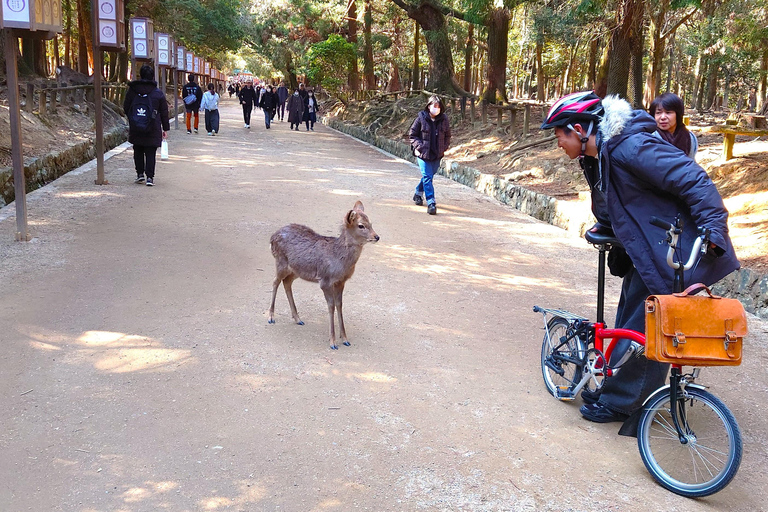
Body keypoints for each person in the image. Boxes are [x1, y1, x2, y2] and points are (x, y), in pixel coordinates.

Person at [540, 91, 739, 423]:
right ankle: (615, 388)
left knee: (649, 327)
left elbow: (693, 178)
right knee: (631, 319)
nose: (558, 143)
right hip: (645, 248)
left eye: (559, 134)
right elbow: (618, 200)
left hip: (673, 249)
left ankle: (622, 403)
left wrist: (714, 229)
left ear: (578, 129)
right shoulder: (597, 154)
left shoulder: (632, 148)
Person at [123, 65, 170, 187]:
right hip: (153, 126)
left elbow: (126, 107)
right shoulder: (157, 93)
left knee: (138, 149)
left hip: (136, 125)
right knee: (150, 152)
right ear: (153, 76)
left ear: (141, 75)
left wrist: (134, 118)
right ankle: (149, 177)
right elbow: (164, 112)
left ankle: (139, 174)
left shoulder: (133, 91)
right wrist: (165, 128)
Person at [408, 95, 451, 215]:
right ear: (429, 106)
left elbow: (447, 135)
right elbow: (412, 135)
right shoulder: (421, 118)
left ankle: (418, 193)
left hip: (437, 154)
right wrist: (419, 147)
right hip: (423, 154)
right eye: (434, 106)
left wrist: (444, 147)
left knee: (429, 176)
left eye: (438, 106)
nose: (436, 108)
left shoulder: (444, 119)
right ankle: (431, 202)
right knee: (427, 177)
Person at [649, 92, 698, 160]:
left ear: (678, 115)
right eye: (658, 113)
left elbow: (691, 162)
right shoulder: (650, 137)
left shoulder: (690, 137)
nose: (663, 117)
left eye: (668, 112)